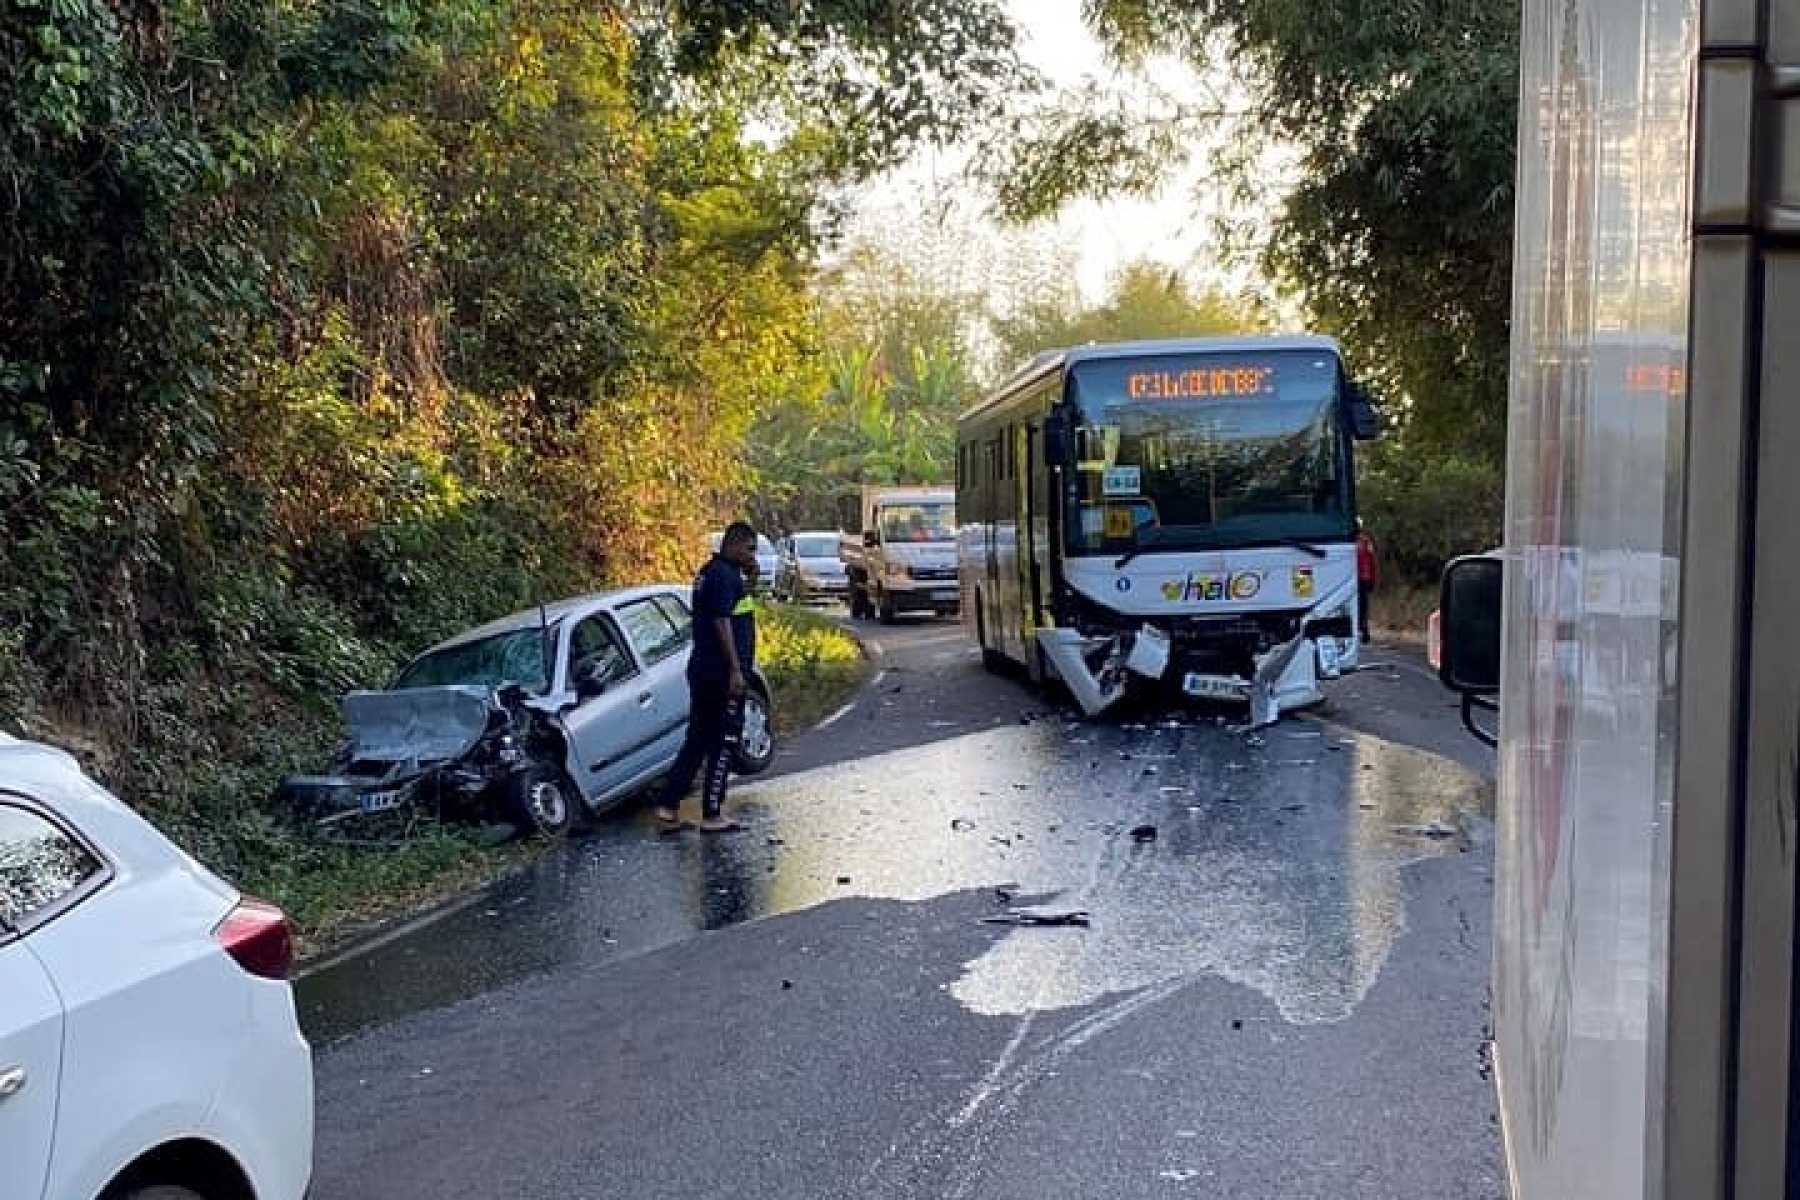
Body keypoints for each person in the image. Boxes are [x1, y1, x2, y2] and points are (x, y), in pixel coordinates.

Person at [653, 521, 759, 834]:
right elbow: (721, 623)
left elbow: (740, 607)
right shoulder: (723, 576)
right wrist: (736, 669)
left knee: (697, 740)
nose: (752, 555)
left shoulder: (713, 574)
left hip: (704, 670)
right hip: (720, 674)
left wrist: (752, 577)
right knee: (724, 739)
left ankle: (667, 807)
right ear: (736, 544)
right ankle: (712, 813)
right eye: (750, 549)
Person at [1355, 523, 1379, 644]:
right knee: (1363, 606)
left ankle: (1362, 630)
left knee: (1360, 606)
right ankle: (1363, 631)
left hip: (1358, 578)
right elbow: (1372, 562)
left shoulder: (1355, 542)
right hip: (1364, 577)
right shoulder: (1366, 542)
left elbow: (1371, 561)